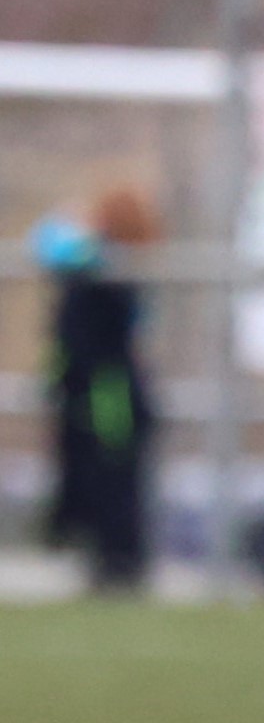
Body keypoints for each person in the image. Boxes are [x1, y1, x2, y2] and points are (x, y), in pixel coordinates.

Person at [38, 184, 159, 588]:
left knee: (113, 469)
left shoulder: (111, 262)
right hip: (91, 385)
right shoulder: (99, 260)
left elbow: (50, 245)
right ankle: (106, 555)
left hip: (109, 389)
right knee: (98, 469)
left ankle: (120, 560)